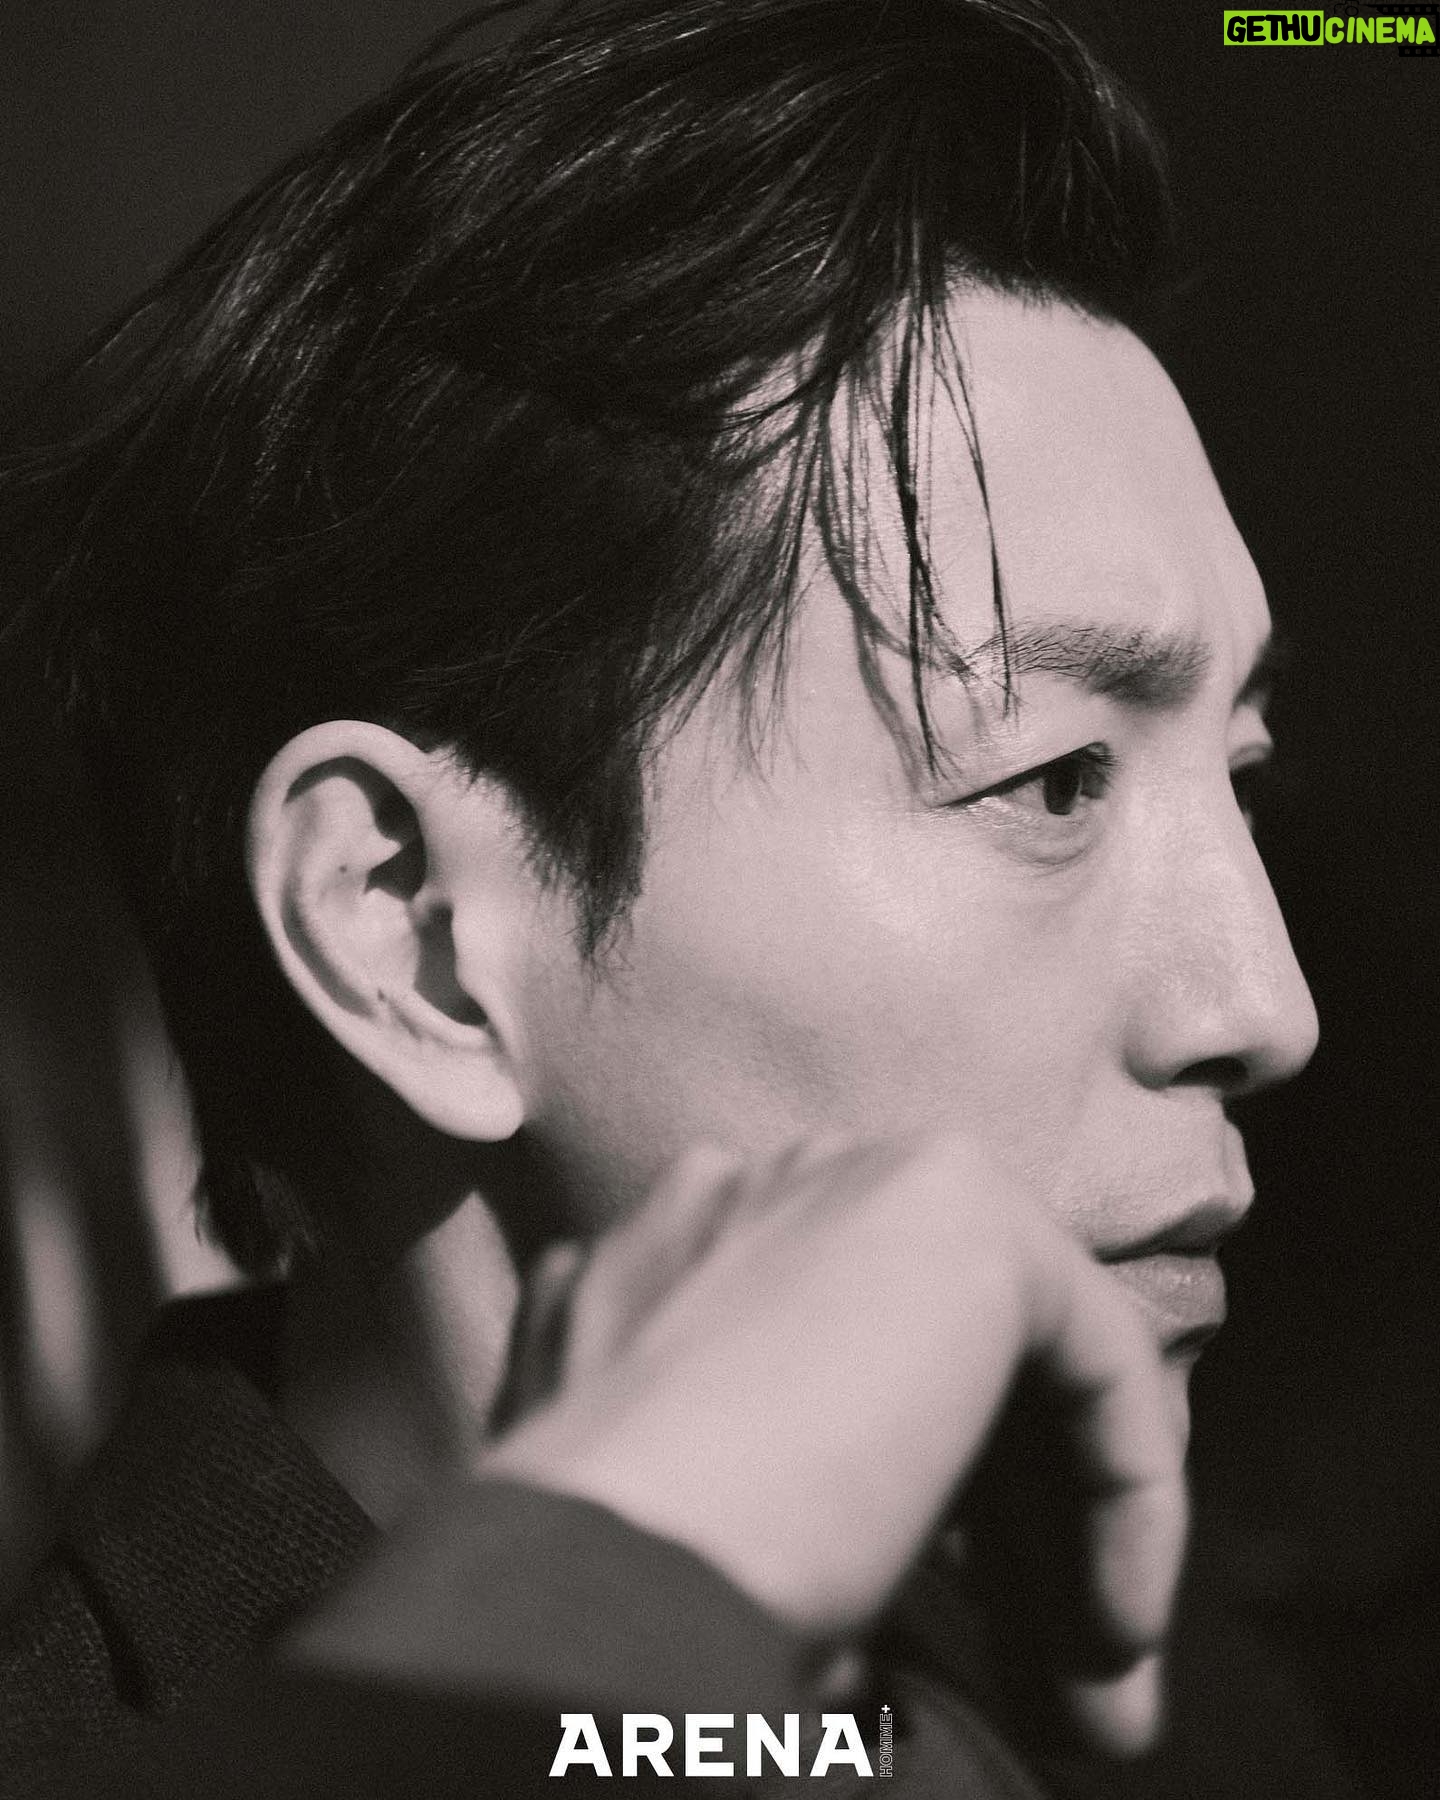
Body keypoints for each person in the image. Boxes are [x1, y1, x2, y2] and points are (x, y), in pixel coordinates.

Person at [0, 1, 1321, 1792]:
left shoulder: (1148, 1697)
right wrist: (603, 1593)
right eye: (1054, 780)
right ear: (408, 929)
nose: (1264, 1006)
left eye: (1240, 775)